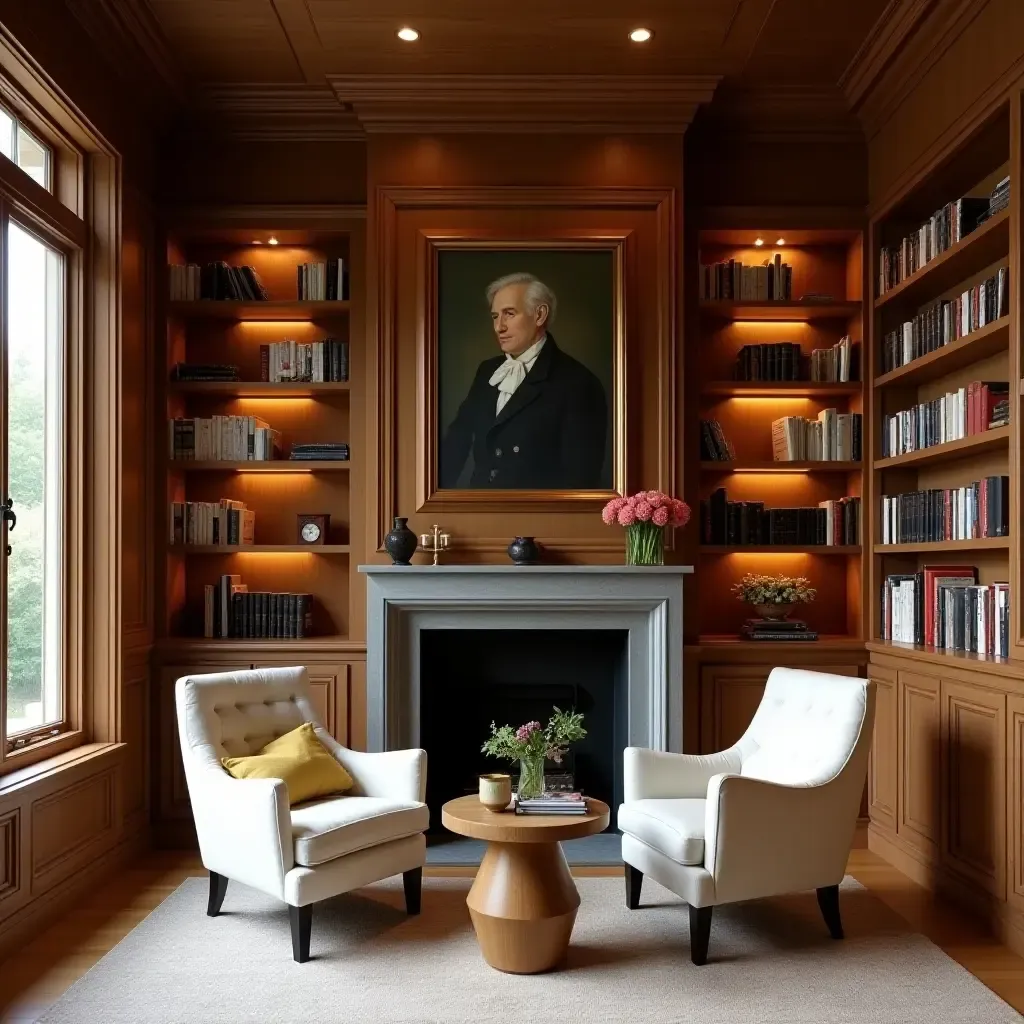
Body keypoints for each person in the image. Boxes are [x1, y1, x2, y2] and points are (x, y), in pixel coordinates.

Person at [439, 272, 608, 489]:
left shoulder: (579, 383)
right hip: (479, 512)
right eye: (494, 316)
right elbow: (457, 440)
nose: (499, 327)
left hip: (536, 517)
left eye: (509, 313)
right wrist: (435, 503)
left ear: (539, 315)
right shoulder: (487, 371)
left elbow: (580, 478)